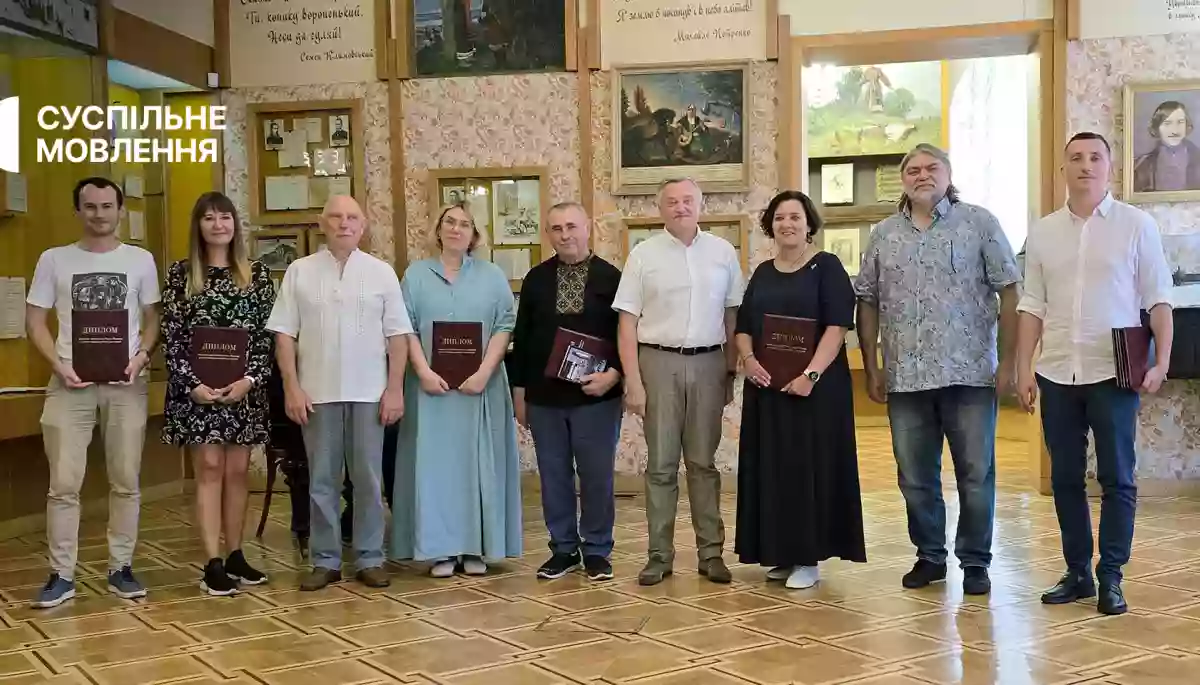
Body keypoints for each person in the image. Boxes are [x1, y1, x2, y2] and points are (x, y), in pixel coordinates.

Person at [1016, 132, 1174, 616]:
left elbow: (1158, 298)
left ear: (1110, 167)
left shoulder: (1135, 225)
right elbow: (1032, 304)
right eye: (1076, 158)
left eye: (1095, 157)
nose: (1085, 165)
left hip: (1114, 373)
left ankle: (1112, 576)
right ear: (1063, 168)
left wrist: (1162, 360)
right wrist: (1024, 366)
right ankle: (1078, 572)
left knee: (1117, 478)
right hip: (1057, 372)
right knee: (1065, 478)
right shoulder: (1042, 232)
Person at [855, 143, 1021, 596]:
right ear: (902, 180)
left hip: (968, 374)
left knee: (975, 472)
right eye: (913, 169)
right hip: (906, 376)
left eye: (932, 168)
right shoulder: (883, 234)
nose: (922, 175)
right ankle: (930, 556)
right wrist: (872, 364)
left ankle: (975, 562)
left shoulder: (979, 223)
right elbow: (866, 299)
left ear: (948, 175)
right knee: (914, 477)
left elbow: (1010, 290)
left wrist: (1009, 361)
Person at [25, 177, 161, 608]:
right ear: (78, 211)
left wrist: (140, 358)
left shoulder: (140, 260)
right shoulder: (54, 260)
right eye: (90, 206)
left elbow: (153, 319)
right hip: (69, 386)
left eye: (107, 206)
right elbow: (34, 323)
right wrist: (59, 366)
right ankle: (61, 574)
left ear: (120, 210)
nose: (99, 214)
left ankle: (120, 568)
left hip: (126, 385)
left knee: (126, 480)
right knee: (63, 484)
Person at [267, 195, 411, 591]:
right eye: (335, 217)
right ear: (322, 223)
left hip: (370, 393)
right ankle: (325, 559)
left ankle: (369, 557)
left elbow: (398, 337)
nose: (344, 224)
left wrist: (395, 389)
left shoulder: (382, 273)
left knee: (367, 479)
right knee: (323, 480)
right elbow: (284, 335)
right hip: (317, 394)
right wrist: (292, 387)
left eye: (352, 218)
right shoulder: (299, 271)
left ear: (363, 226)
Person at [612, 177, 744, 587]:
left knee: (704, 464)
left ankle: (711, 554)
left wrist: (729, 370)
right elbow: (627, 322)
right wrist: (632, 380)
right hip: (657, 364)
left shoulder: (722, 252)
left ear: (701, 205)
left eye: (688, 200)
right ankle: (659, 556)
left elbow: (732, 315)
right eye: (672, 201)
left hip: (708, 364)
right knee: (662, 465)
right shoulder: (643, 255)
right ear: (660, 208)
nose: (680, 207)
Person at [735, 190, 866, 590]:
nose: (786, 224)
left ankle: (808, 558)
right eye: (779, 218)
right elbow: (744, 327)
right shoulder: (762, 272)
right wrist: (749, 361)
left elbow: (837, 327)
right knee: (772, 470)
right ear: (770, 225)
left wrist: (809, 376)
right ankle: (781, 553)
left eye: (794, 217)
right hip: (768, 389)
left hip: (815, 391)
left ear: (809, 223)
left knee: (809, 469)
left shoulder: (827, 267)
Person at [391, 203, 523, 577]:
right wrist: (422, 370)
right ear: (438, 229)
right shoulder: (415, 276)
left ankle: (476, 548)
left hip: (480, 389)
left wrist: (484, 371)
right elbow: (405, 328)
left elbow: (504, 325)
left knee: (477, 466)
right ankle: (441, 550)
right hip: (431, 390)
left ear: (475, 235)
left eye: (465, 224)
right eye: (449, 221)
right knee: (436, 469)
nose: (456, 229)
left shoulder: (492, 276)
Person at [161, 192, 276, 596]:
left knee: (237, 471)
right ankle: (211, 562)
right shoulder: (180, 275)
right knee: (209, 467)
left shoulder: (257, 275)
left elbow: (267, 336)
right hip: (197, 393)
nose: (218, 225)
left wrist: (249, 379)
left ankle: (236, 554)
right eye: (208, 218)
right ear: (198, 226)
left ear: (235, 225)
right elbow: (172, 337)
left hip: (243, 391)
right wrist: (192, 384)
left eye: (224, 217)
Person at [510, 202, 624, 582]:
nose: (565, 234)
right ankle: (562, 549)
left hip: (596, 398)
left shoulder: (613, 278)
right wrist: (519, 393)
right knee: (553, 476)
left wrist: (616, 375)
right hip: (545, 399)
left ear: (587, 227)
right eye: (556, 228)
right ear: (548, 234)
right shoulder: (536, 279)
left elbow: (629, 337)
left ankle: (596, 549)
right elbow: (522, 341)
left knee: (596, 476)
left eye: (572, 226)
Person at [1132, 101, 1200, 193]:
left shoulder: (1196, 157)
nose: (1174, 130)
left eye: (1180, 122)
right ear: (1157, 127)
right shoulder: (1142, 164)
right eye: (1167, 123)